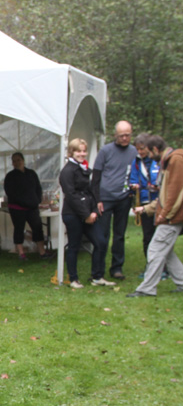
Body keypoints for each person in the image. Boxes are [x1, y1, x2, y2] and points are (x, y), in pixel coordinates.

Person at [127, 145, 183, 297]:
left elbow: (174, 195)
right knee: (167, 250)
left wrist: (164, 215)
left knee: (155, 249)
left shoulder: (175, 160)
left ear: (155, 149)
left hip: (172, 217)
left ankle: (147, 288)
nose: (149, 157)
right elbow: (166, 196)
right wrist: (146, 209)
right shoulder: (171, 159)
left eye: (148, 153)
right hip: (172, 215)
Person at [91, 120, 137, 280]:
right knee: (102, 235)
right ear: (115, 135)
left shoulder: (134, 152)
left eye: (127, 135)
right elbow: (95, 177)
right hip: (105, 199)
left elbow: (136, 174)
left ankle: (117, 268)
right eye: (121, 135)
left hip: (124, 198)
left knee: (119, 234)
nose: (125, 138)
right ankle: (99, 269)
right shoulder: (105, 151)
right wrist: (97, 199)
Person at [59, 138, 101, 288]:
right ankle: (73, 279)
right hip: (72, 214)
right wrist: (86, 215)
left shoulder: (83, 168)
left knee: (99, 242)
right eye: (79, 151)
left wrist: (95, 210)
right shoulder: (67, 171)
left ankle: (97, 276)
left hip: (87, 212)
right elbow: (71, 196)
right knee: (74, 246)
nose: (82, 154)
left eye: (84, 151)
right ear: (71, 152)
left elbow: (90, 191)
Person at [3, 152, 50, 260]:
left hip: (32, 207)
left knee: (38, 228)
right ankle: (21, 253)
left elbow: (38, 188)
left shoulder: (31, 173)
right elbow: (10, 192)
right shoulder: (10, 176)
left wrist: (37, 200)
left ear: (23, 160)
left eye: (18, 160)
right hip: (17, 208)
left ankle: (42, 252)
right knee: (19, 229)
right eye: (14, 161)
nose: (16, 162)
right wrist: (23, 202)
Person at [129, 133, 159, 264]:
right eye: (138, 149)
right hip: (144, 202)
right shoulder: (136, 162)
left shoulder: (158, 161)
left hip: (159, 203)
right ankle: (150, 265)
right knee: (147, 236)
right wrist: (134, 185)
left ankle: (163, 267)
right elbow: (133, 179)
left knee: (160, 237)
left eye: (142, 148)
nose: (140, 151)